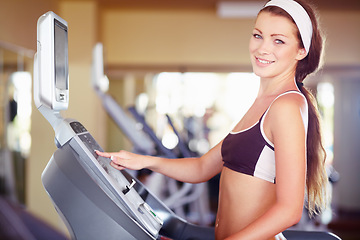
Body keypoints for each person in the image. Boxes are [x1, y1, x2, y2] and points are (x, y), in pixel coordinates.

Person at [96, 0, 329, 239]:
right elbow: (202, 168)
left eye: (278, 40)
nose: (262, 48)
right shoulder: (264, 102)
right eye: (258, 35)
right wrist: (142, 161)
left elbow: (289, 211)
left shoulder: (287, 105)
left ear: (302, 51)